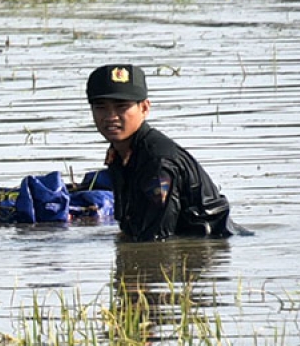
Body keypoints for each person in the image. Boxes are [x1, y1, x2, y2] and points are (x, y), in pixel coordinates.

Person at [86, 63, 234, 240]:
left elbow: (157, 241)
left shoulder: (157, 162)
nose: (111, 116)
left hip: (208, 247)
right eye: (101, 107)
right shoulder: (120, 154)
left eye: (122, 106)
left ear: (145, 108)